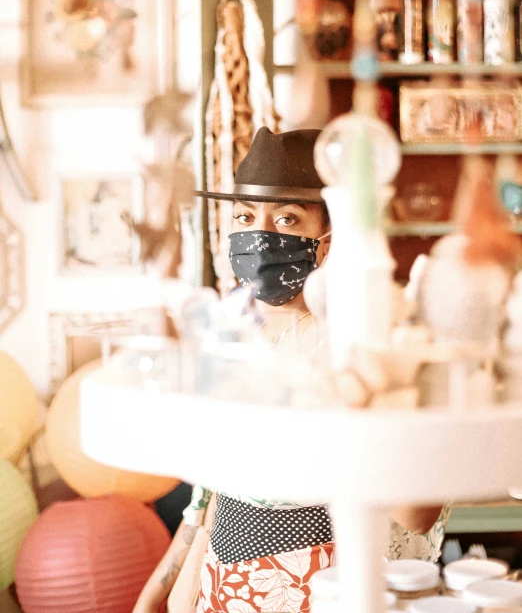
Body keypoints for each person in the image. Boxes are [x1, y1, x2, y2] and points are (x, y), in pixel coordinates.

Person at [134, 128, 449, 613]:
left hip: (326, 585)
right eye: (245, 216)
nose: (261, 235)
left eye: (287, 218)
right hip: (225, 584)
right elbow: (215, 497)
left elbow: (417, 514)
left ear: (327, 239)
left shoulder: (364, 343)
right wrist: (166, 595)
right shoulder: (231, 337)